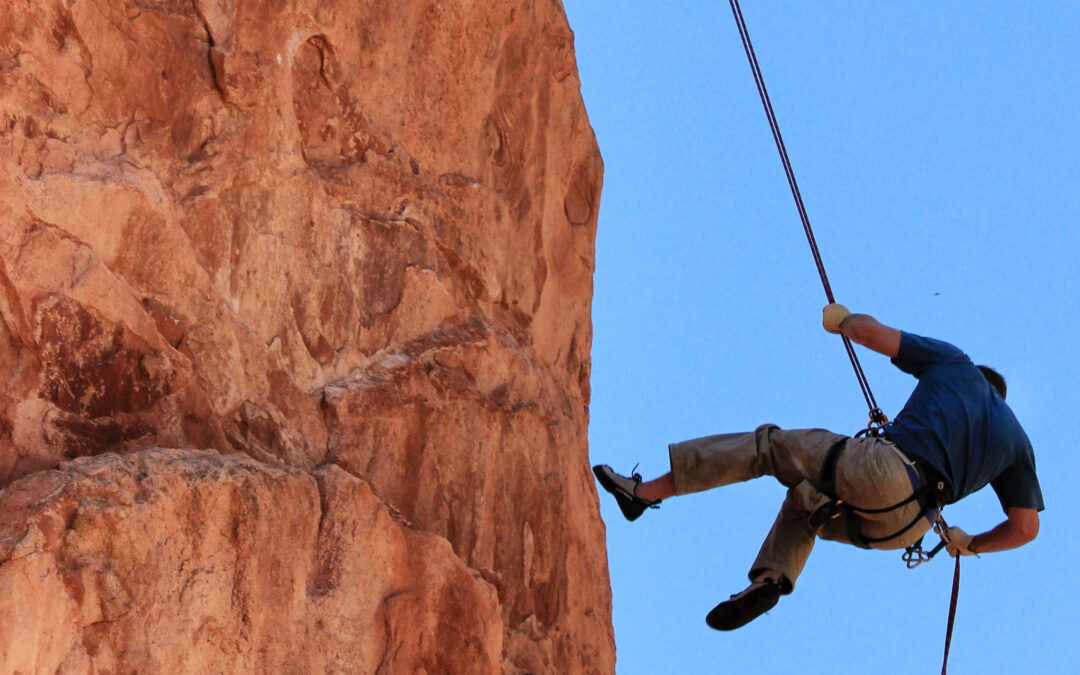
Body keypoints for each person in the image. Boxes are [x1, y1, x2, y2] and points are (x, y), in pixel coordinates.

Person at [593, 304, 1043, 630]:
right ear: (1002, 397)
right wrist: (971, 544)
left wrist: (844, 322)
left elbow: (871, 334)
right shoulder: (1018, 444)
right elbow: (1025, 529)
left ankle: (644, 493)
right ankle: (771, 578)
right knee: (808, 500)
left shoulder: (957, 366)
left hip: (886, 469)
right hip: (907, 528)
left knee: (769, 447)